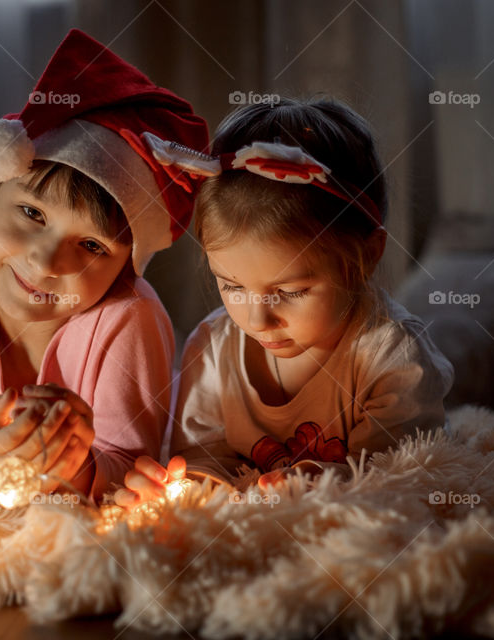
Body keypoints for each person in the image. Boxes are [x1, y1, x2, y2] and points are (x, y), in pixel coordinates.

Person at [0, 29, 208, 502]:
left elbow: (127, 466)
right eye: (33, 214)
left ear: (125, 267)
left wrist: (70, 464)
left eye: (93, 246)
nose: (45, 260)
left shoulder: (129, 320)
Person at [116, 97, 454, 507]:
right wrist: (188, 487)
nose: (257, 319)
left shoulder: (392, 357)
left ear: (366, 257)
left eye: (290, 292)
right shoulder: (212, 348)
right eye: (232, 286)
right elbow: (203, 456)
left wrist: (331, 480)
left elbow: (406, 476)